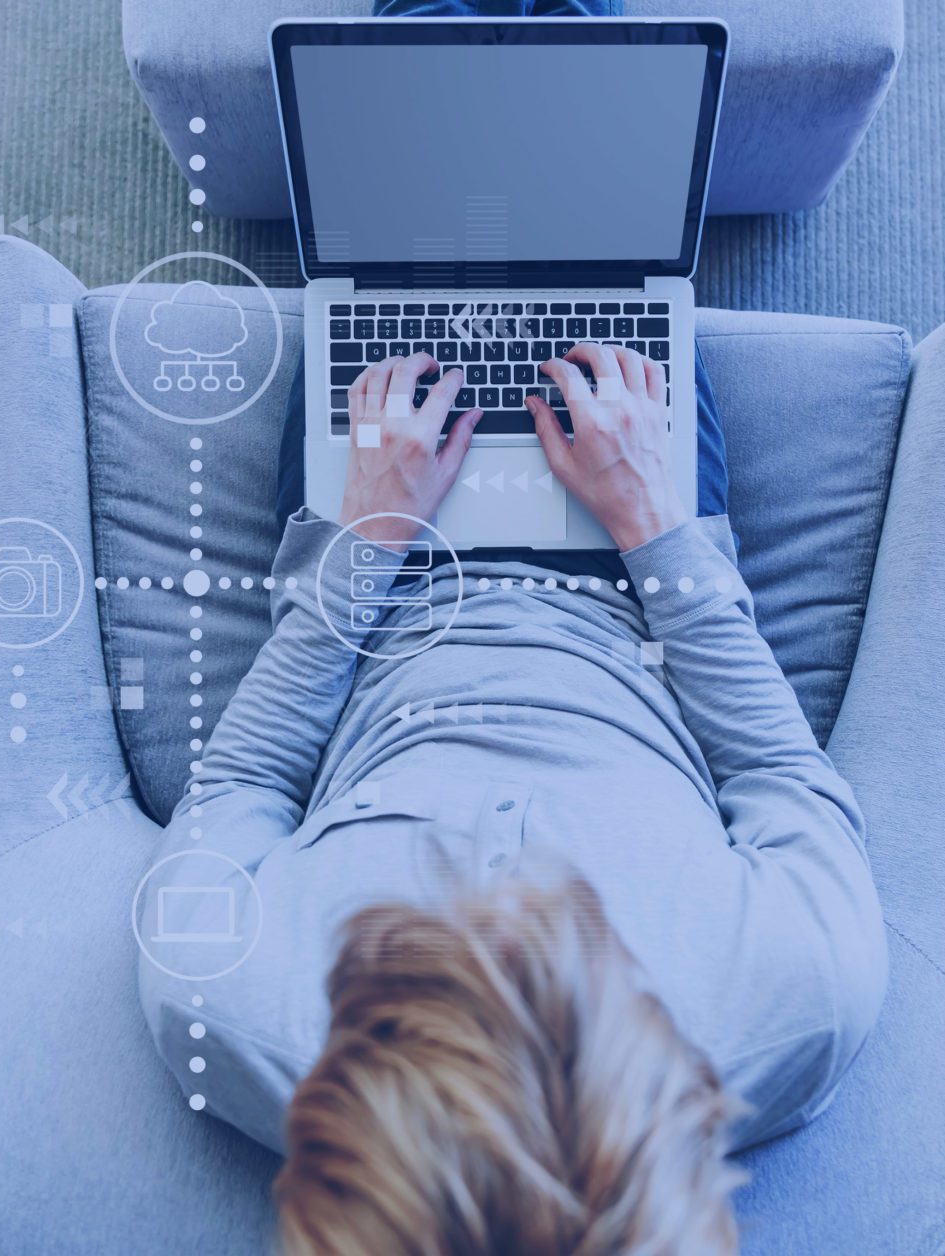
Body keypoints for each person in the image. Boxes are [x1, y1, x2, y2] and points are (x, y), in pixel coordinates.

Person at [138, 338, 888, 1253]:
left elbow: (248, 779)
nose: (491, 929)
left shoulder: (218, 999)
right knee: (621, 261)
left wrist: (369, 537)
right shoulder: (805, 997)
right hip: (636, 584)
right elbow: (776, 774)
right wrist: (651, 522)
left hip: (384, 587)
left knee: (371, 272)